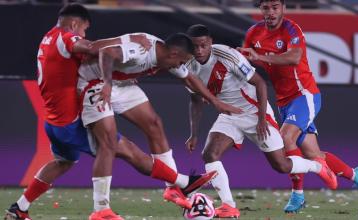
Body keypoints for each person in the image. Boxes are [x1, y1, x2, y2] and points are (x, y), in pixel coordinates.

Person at [4, 4, 215, 220]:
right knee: (123, 149)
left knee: (63, 162)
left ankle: (19, 208)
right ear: (75, 24)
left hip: (54, 119)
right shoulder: (66, 37)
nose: (83, 34)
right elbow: (94, 48)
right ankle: (106, 208)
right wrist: (128, 41)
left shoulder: (47, 38)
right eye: (84, 29)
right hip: (69, 121)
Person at [77, 32, 243, 213]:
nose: (179, 66)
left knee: (154, 123)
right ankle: (101, 209)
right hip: (95, 83)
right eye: (180, 62)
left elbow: (189, 78)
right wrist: (107, 83)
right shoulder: (142, 50)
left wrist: (215, 101)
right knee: (108, 143)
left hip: (119, 83)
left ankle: (174, 188)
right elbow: (107, 53)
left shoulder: (166, 56)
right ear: (173, 55)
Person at [184, 24, 338, 218]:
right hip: (229, 116)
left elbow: (260, 82)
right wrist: (194, 133)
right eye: (195, 46)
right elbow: (196, 99)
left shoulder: (227, 56)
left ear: (210, 43)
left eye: (203, 45)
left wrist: (262, 118)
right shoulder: (188, 66)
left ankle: (317, 166)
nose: (199, 50)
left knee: (281, 165)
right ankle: (229, 205)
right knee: (209, 154)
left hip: (255, 112)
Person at [238, 0, 358, 213]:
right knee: (313, 154)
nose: (270, 12)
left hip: (305, 95)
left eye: (275, 7)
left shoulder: (291, 29)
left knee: (286, 138)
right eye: (265, 8)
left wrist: (260, 56)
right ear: (260, 9)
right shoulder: (254, 33)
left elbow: (294, 57)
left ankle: (297, 195)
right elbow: (244, 63)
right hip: (284, 102)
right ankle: (357, 176)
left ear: (283, 8)